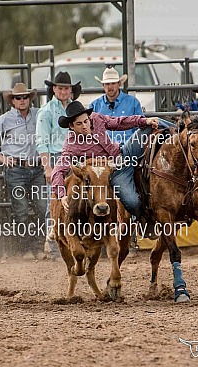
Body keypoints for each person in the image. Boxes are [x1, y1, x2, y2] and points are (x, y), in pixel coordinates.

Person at [51, 101, 160, 236]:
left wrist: (143, 120)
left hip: (124, 153)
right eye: (79, 124)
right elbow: (58, 170)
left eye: (86, 121)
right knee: (132, 201)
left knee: (151, 123)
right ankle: (144, 220)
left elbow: (118, 122)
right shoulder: (71, 145)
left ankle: (183, 132)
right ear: (71, 126)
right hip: (113, 173)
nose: (85, 126)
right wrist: (61, 195)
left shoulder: (96, 118)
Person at [0, 83, 46, 258]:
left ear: (29, 99)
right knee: (21, 210)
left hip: (37, 167)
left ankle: (39, 246)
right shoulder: (5, 119)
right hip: (16, 169)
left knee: (42, 206)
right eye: (18, 97)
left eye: (25, 97)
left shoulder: (39, 114)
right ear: (13, 101)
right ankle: (24, 248)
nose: (22, 100)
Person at [36, 71, 81, 259]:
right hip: (56, 158)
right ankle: (55, 246)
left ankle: (76, 240)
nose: (63, 91)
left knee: (78, 199)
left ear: (71, 90)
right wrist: (48, 167)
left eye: (66, 88)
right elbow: (42, 141)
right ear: (54, 89)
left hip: (75, 158)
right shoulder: (46, 111)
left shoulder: (76, 109)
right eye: (60, 88)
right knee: (54, 202)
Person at [89, 66, 143, 146]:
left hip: (127, 146)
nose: (110, 87)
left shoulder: (133, 103)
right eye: (107, 84)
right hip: (103, 148)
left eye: (113, 83)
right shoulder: (95, 105)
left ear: (119, 84)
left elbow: (140, 128)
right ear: (103, 86)